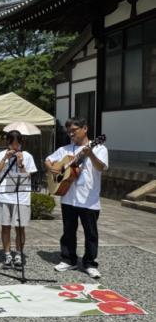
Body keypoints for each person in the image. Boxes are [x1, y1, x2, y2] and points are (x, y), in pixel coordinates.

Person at [45, 117, 108, 279]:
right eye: (69, 132)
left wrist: (91, 154)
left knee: (91, 234)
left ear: (85, 129)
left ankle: (90, 263)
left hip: (89, 199)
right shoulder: (64, 150)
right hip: (68, 198)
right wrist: (52, 169)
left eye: (74, 130)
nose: (71, 134)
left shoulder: (99, 148)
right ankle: (68, 259)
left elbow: (101, 167)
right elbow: (48, 160)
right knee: (68, 231)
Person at [0, 130, 37, 270]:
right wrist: (5, 158)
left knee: (20, 227)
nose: (15, 147)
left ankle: (18, 254)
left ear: (21, 143)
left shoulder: (27, 156)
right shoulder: (1, 155)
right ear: (8, 143)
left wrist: (20, 163)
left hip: (21, 197)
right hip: (4, 196)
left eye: (17, 144)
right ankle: (7, 254)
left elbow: (28, 176)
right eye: (12, 144)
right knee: (5, 226)